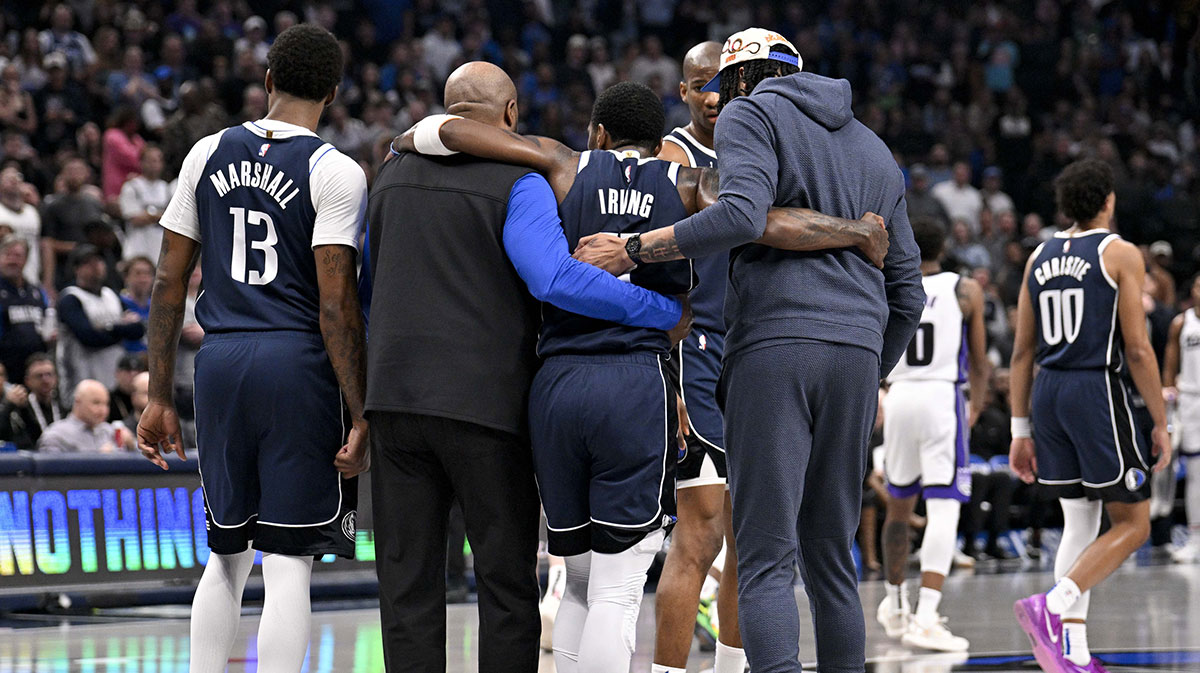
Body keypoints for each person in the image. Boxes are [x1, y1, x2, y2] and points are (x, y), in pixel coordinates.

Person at [396, 70, 886, 673]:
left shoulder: (562, 164)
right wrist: (855, 232)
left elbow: (450, 130)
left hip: (557, 382)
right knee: (618, 586)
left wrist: (406, 140)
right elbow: (764, 223)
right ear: (661, 143)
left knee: (573, 578)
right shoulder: (686, 184)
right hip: (635, 381)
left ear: (598, 132)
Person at [570, 28, 925, 673]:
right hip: (855, 354)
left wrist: (634, 249)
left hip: (775, 345)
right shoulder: (874, 147)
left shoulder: (751, 113)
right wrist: (872, 366)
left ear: (739, 79)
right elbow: (908, 293)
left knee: (762, 555)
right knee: (831, 557)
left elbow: (737, 215)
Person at [135, 24, 370, 673]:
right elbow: (335, 303)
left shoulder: (205, 151)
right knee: (290, 558)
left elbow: (167, 280)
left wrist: (158, 393)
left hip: (221, 358)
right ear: (332, 91)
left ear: (267, 80)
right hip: (296, 362)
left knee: (226, 551)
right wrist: (360, 407)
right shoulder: (335, 169)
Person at [1010, 158, 1170, 673]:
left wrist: (1019, 428)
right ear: (1108, 201)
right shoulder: (1119, 252)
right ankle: (1052, 606)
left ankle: (1072, 653)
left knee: (1080, 520)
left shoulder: (1037, 256)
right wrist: (1162, 421)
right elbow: (1139, 348)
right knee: (1135, 521)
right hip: (1094, 386)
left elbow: (1020, 352)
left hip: (1048, 391)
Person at [654, 40, 745, 673]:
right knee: (700, 534)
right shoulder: (675, 157)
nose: (711, 93)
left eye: (721, 80)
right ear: (684, 92)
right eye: (698, 84)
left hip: (753, 353)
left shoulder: (759, 144)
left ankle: (734, 666)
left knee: (752, 538)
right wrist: (670, 374)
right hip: (699, 354)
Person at [876, 216, 989, 652]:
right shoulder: (965, 289)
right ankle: (926, 615)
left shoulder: (890, 283)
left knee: (899, 509)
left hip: (899, 395)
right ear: (944, 245)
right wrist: (975, 406)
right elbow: (979, 361)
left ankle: (895, 603)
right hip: (942, 398)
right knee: (944, 509)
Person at [56, 244, 145, 399]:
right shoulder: (70, 298)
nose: (95, 266)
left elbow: (138, 330)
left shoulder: (111, 294)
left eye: (98, 261)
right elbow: (89, 337)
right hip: (82, 377)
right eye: (88, 263)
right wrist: (121, 327)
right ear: (77, 269)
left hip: (114, 377)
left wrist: (108, 328)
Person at [1163, 273, 1200, 563]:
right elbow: (1170, 361)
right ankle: (1195, 538)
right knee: (1195, 475)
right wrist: (1167, 390)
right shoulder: (1181, 323)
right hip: (1190, 400)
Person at [40, 158, 104, 291]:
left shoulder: (94, 204)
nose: (74, 175)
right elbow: (47, 243)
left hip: (91, 266)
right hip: (64, 269)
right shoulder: (52, 206)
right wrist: (48, 282)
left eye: (79, 170)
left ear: (87, 174)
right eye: (70, 171)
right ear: (62, 174)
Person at [0, 237, 50, 383]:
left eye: (17, 256)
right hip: (6, 370)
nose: (12, 260)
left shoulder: (36, 292)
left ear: (26, 260)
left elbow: (47, 321)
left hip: (36, 371)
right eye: (7, 255)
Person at [37, 379, 135, 453]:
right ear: (78, 402)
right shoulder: (56, 436)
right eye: (96, 403)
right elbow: (52, 476)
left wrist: (132, 446)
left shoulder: (110, 432)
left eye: (106, 404)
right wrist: (99, 459)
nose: (103, 410)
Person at [118, 145, 171, 264]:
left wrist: (149, 214)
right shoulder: (131, 187)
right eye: (150, 161)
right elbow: (135, 219)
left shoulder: (166, 189)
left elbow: (174, 219)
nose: (154, 164)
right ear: (141, 162)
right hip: (137, 247)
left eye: (157, 161)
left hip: (159, 248)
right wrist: (160, 216)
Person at [0, 353, 62, 450]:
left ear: (56, 378)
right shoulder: (20, 408)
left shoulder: (64, 406)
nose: (45, 380)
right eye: (39, 376)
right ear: (28, 381)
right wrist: (9, 405)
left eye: (49, 374)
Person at [0, 167, 41, 285]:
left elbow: (39, 244)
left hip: (32, 275)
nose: (13, 181)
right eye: (8, 179)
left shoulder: (32, 212)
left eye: (17, 178)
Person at [108, 353, 144, 423]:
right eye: (128, 371)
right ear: (117, 373)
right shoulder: (109, 399)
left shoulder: (147, 399)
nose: (133, 375)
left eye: (138, 371)